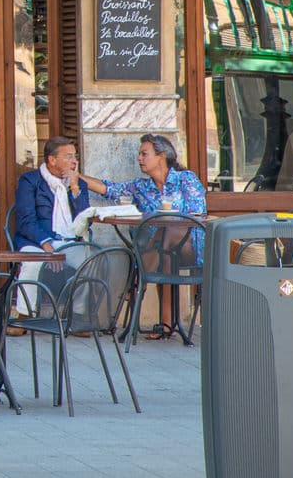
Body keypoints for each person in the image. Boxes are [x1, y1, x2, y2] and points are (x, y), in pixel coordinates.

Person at [78, 133, 207, 339]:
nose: (139, 159)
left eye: (144, 154)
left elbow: (197, 214)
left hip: (190, 247)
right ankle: (166, 325)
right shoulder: (141, 187)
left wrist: (166, 222)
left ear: (161, 157)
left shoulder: (185, 179)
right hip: (163, 252)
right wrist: (76, 176)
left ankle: (138, 281)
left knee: (167, 230)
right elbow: (109, 189)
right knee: (164, 252)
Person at [11, 136, 89, 251]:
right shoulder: (29, 181)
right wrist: (45, 243)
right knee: (37, 261)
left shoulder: (79, 184)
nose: (74, 161)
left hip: (71, 242)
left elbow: (86, 221)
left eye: (75, 156)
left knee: (88, 258)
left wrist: (74, 188)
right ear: (52, 160)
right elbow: (26, 221)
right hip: (36, 242)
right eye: (69, 156)